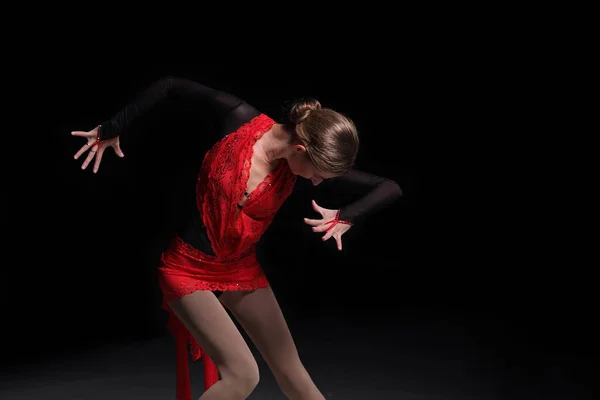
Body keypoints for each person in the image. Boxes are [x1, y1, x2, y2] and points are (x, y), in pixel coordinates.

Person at [71, 76, 403, 400]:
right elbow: (171, 85)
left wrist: (348, 215)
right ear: (300, 149)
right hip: (185, 269)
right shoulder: (240, 117)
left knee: (296, 377)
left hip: (240, 269)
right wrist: (113, 126)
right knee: (243, 375)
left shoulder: (295, 164)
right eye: (318, 175)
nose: (316, 183)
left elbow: (389, 187)